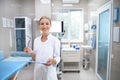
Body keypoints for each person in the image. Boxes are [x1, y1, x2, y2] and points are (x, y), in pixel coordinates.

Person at [24, 16, 61, 80]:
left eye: (47, 23)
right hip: (38, 72)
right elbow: (35, 58)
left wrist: (53, 61)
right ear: (39, 26)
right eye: (42, 24)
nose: (44, 26)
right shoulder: (36, 40)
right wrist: (31, 52)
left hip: (49, 73)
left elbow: (58, 57)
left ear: (50, 25)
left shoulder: (55, 40)